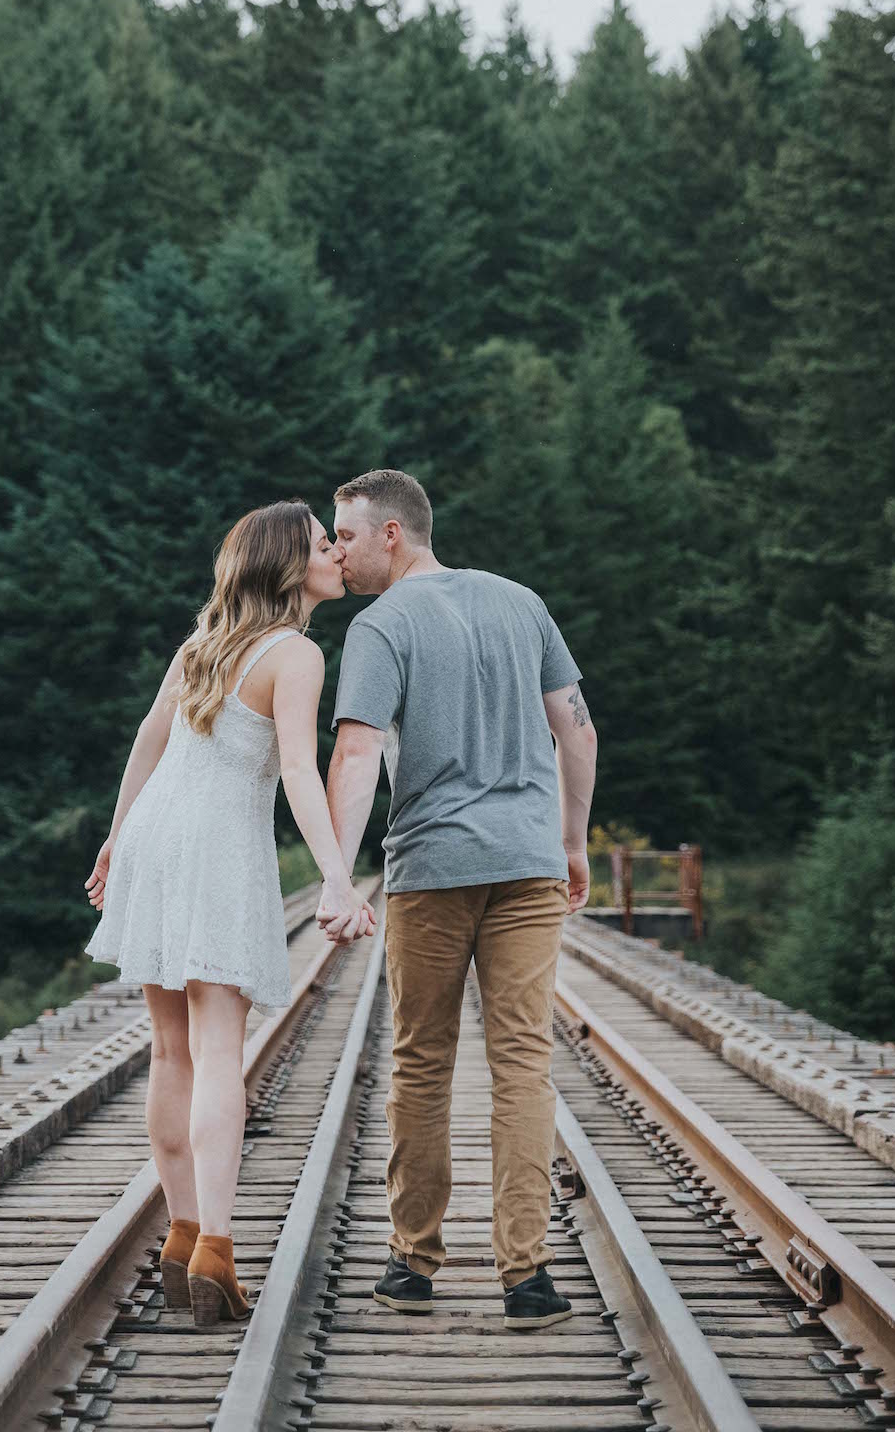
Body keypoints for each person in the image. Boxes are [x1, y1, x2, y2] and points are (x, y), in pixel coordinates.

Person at [82, 500, 375, 1329]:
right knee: (218, 1052)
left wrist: (115, 838)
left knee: (170, 1049)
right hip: (214, 848)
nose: (336, 557)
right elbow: (295, 768)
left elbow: (148, 737)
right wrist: (337, 878)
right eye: (324, 545)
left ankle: (179, 1238)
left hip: (153, 837)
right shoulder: (296, 653)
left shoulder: (204, 641)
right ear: (292, 565)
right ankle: (216, 1247)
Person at [318, 468, 597, 1330]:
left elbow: (358, 752)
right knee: (524, 1065)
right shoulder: (522, 602)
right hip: (526, 864)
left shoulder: (379, 625)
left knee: (422, 1061)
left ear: (392, 533)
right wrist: (574, 841)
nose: (338, 553)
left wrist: (336, 871)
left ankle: (412, 1263)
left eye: (348, 537)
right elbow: (577, 728)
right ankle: (527, 1277)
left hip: (434, 869)